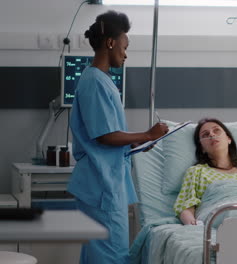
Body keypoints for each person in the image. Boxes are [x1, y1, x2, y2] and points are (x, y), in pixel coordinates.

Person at [67, 10, 168, 264]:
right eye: (124, 47)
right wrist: (147, 133)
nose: (125, 54)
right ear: (110, 43)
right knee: (111, 256)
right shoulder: (95, 82)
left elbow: (109, 134)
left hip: (105, 182)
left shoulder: (101, 80)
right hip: (102, 185)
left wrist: (135, 142)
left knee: (98, 254)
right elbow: (104, 136)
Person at [174, 118, 237, 225]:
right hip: (220, 214)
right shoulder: (196, 172)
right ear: (202, 148)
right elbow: (185, 207)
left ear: (228, 139)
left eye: (216, 130)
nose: (212, 135)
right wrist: (194, 227)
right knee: (236, 215)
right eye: (205, 135)